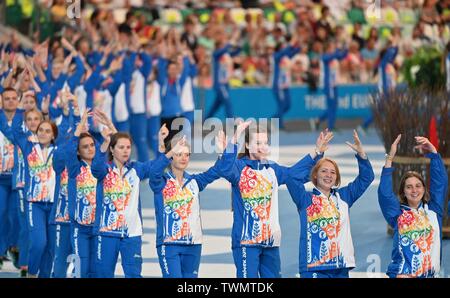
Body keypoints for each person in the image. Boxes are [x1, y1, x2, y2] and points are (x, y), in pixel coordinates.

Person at [216, 121, 326, 278]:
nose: (263, 146)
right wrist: (234, 138)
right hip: (246, 243)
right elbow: (224, 169)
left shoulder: (273, 170)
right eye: (258, 142)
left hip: (270, 242)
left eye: (266, 142)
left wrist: (316, 153)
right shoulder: (239, 168)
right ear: (247, 144)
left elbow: (295, 175)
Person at [286, 130, 375, 278]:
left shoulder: (344, 197)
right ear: (315, 175)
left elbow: (367, 178)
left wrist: (362, 156)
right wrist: (317, 154)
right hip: (313, 267)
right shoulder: (305, 199)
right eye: (324, 171)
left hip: (340, 267)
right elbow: (291, 177)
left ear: (337, 177)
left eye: (333, 172)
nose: (328, 175)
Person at [91, 121, 167, 278]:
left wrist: (161, 143)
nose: (126, 151)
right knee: (103, 274)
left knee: (133, 274)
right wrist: (105, 142)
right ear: (112, 150)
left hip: (132, 233)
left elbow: (157, 166)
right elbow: (95, 167)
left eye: (128, 147)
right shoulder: (105, 170)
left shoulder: (136, 169)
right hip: (107, 232)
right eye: (121, 147)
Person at [149, 126, 226, 278]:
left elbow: (216, 171)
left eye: (187, 154)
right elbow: (153, 172)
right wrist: (168, 150)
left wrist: (222, 153)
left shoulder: (195, 182)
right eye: (179, 154)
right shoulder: (160, 182)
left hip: (193, 245)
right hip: (169, 244)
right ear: (171, 157)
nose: (184, 158)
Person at [378, 135, 448, 278]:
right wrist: (389, 159)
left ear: (424, 189)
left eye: (418, 186)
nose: (414, 190)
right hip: (403, 274)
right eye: (409, 187)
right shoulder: (397, 214)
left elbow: (440, 183)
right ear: (403, 191)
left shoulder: (434, 211)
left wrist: (434, 153)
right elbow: (385, 194)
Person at [65, 108, 116, 278]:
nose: (90, 148)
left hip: (100, 228)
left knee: (97, 270)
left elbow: (121, 147)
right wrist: (80, 126)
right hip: (80, 228)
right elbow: (69, 150)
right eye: (85, 147)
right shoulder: (75, 169)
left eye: (92, 145)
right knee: (82, 269)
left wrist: (110, 125)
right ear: (78, 152)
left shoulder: (104, 167)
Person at [311, 41, 348, 132]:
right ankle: (330, 127)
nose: (333, 49)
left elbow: (343, 55)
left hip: (334, 84)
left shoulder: (334, 57)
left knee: (334, 105)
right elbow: (331, 56)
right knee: (331, 106)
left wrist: (345, 47)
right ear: (328, 48)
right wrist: (338, 49)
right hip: (328, 85)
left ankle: (319, 120)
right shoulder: (324, 57)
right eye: (332, 47)